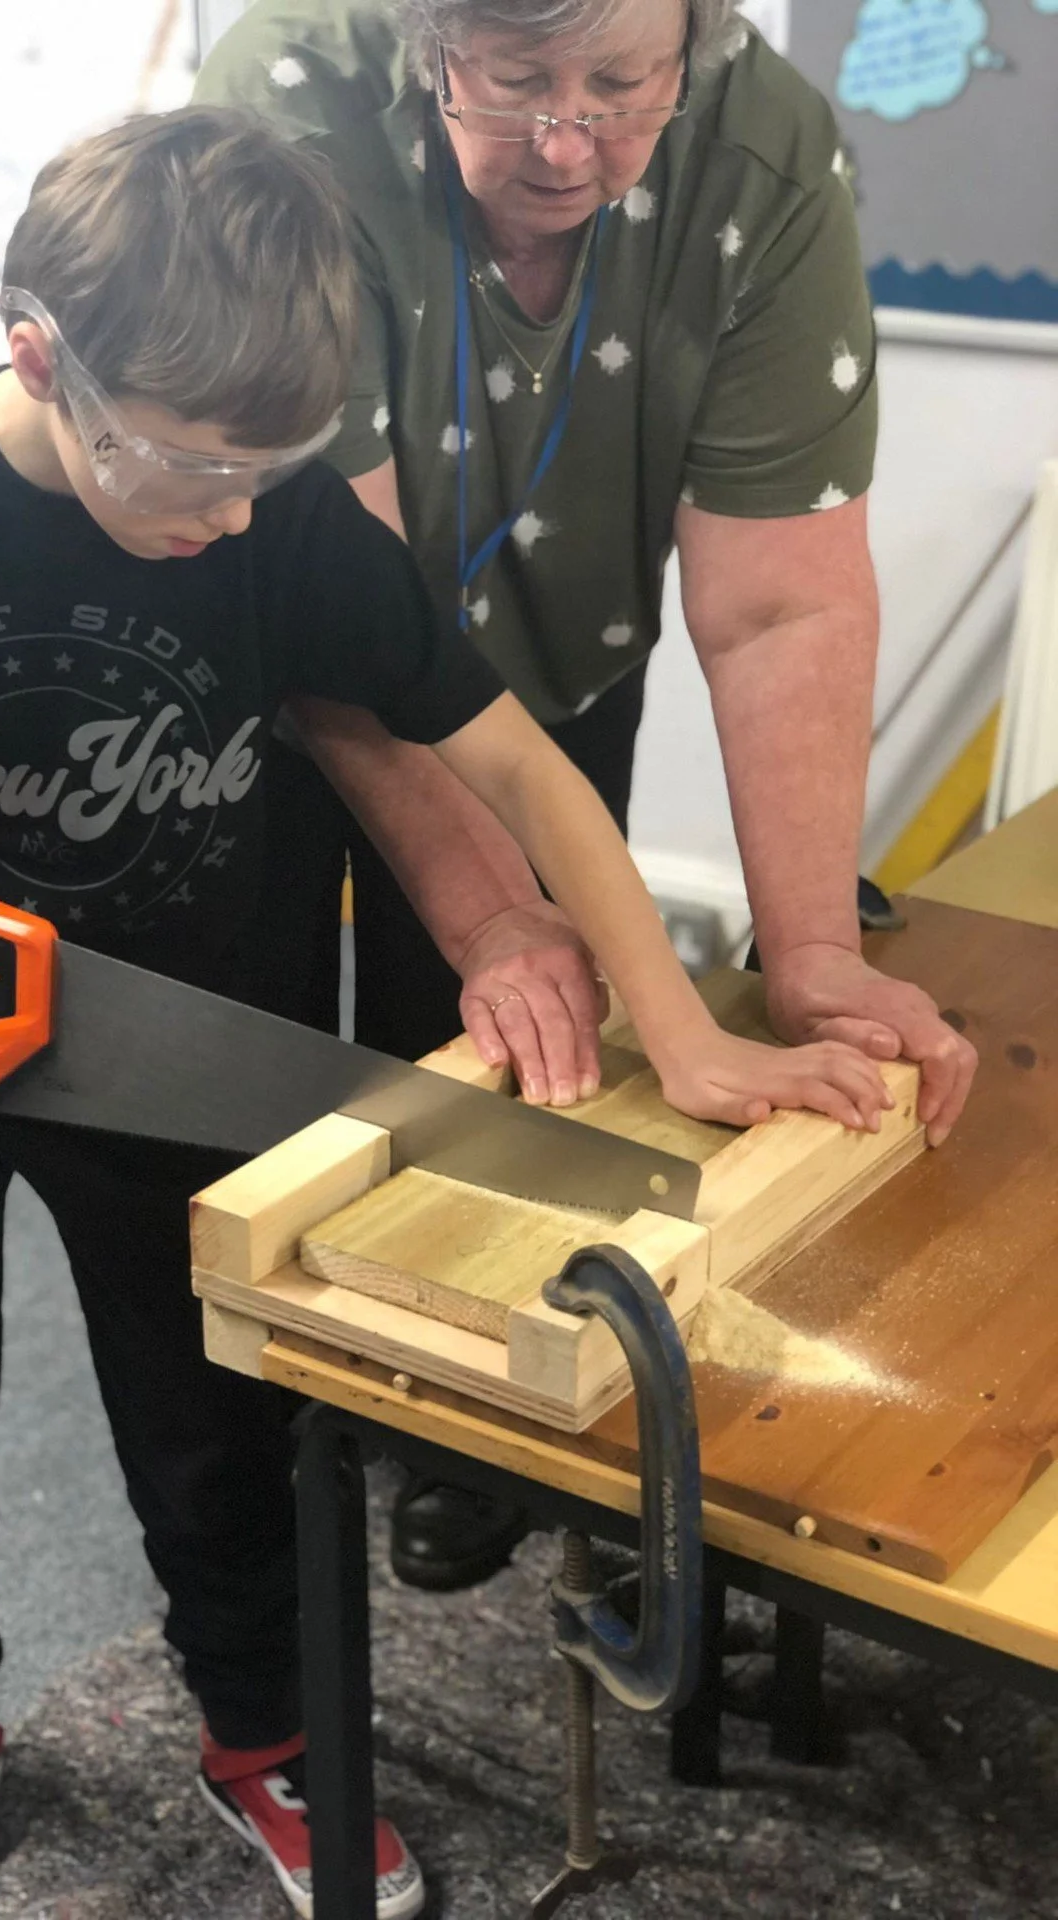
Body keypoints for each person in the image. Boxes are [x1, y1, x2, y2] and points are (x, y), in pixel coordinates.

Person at [0, 107, 892, 1920]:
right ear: (39, 361)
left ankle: (262, 1733)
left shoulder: (276, 517)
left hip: (176, 1055)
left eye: (266, 471)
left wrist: (681, 1034)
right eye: (189, 472)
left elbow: (524, 773)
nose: (228, 516)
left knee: (215, 1425)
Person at [196, 0, 979, 1591]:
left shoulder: (762, 152)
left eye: (622, 85)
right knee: (251, 1074)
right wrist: (488, 901)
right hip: (265, 654)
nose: (571, 146)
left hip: (555, 663)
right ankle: (242, 1493)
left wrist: (811, 951)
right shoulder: (285, 107)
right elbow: (336, 610)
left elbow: (783, 609)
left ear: (693, 32)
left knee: (522, 1058)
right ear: (424, 39)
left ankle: (472, 1436)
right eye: (517, 86)